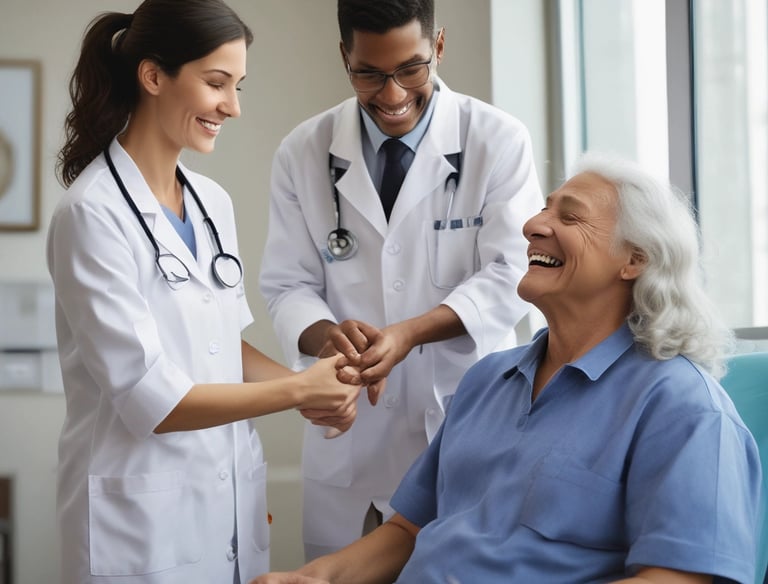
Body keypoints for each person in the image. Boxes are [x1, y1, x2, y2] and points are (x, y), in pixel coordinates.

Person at [251, 152, 763, 584]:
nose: (532, 225)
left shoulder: (684, 409)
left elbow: (680, 578)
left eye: (570, 217)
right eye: (544, 209)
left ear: (635, 260)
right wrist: (312, 578)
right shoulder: (486, 380)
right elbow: (408, 532)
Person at [47, 2, 361, 583]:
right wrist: (297, 390)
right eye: (217, 83)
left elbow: (221, 349)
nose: (233, 107)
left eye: (238, 86)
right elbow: (152, 399)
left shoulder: (212, 204)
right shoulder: (91, 214)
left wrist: (325, 382)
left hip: (225, 504)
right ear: (153, 75)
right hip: (137, 527)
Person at [258, 0, 542, 559]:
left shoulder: (496, 140)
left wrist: (407, 333)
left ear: (438, 45)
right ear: (345, 57)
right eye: (368, 73)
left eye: (410, 69)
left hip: (462, 419)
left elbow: (513, 272)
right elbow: (287, 285)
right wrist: (330, 338)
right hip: (351, 432)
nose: (391, 95)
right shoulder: (303, 151)